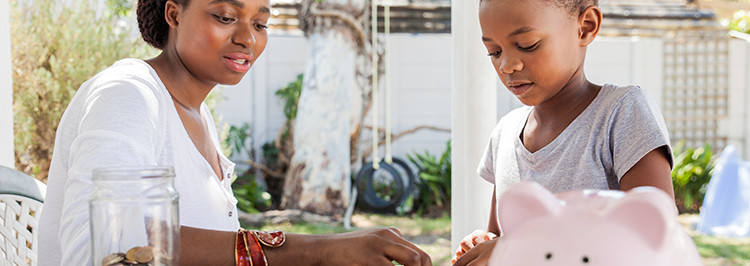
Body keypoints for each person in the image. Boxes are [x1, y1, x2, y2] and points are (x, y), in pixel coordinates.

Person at [37, 0, 432, 265]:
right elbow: (103, 246)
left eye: (260, 23)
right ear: (174, 13)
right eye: (225, 17)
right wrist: (321, 249)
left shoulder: (197, 114)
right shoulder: (129, 93)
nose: (247, 38)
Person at [451, 0, 675, 265]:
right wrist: (485, 244)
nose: (507, 65)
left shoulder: (620, 113)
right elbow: (503, 234)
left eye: (527, 45)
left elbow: (656, 239)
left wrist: (518, 248)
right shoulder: (506, 133)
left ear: (585, 27)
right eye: (494, 51)